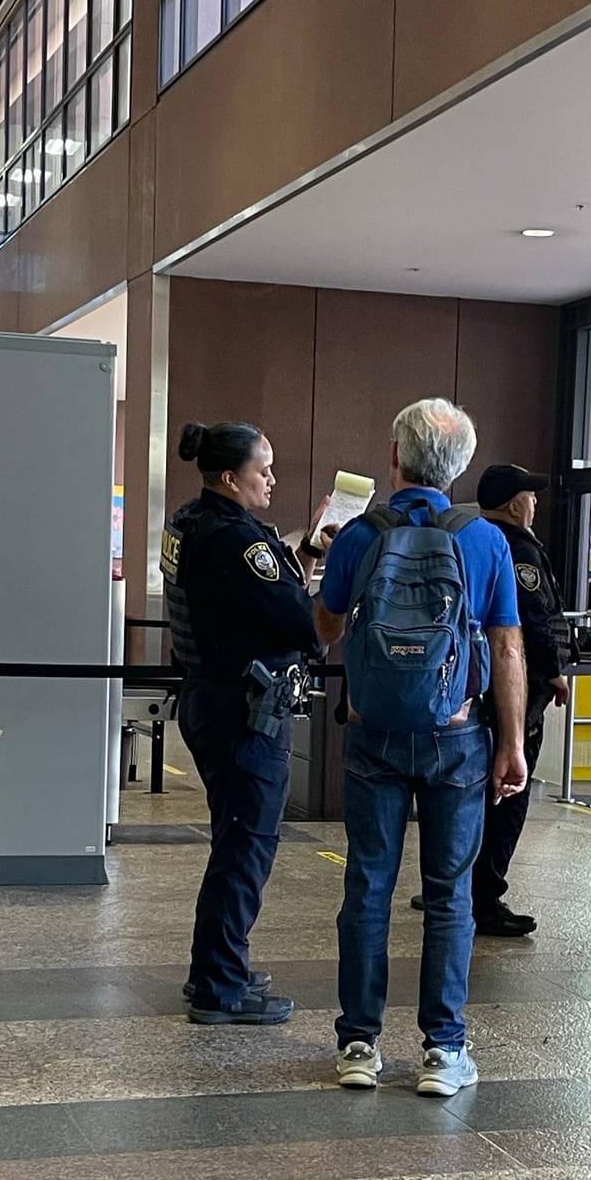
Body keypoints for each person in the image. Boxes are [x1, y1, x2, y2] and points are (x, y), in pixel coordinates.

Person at [316, 399, 527, 1097]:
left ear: (394, 456)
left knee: (368, 885)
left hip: (374, 733)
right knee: (449, 893)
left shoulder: (358, 534)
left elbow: (324, 629)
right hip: (457, 736)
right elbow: (506, 646)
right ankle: (443, 1051)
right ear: (460, 465)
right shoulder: (484, 539)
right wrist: (513, 743)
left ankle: (358, 1044)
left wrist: (325, 549)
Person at [163, 419, 332, 1027]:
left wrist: (302, 553)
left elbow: (237, 602)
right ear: (232, 478)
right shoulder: (238, 540)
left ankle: (217, 964)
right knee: (246, 846)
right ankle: (220, 984)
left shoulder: (188, 521)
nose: (272, 478)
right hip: (245, 711)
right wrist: (325, 577)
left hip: (210, 697)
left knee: (235, 840)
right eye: (263, 469)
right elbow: (296, 621)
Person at [411, 463, 575, 937]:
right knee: (506, 796)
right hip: (512, 691)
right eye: (530, 494)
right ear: (512, 501)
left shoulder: (456, 534)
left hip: (460, 689)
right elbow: (531, 623)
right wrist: (555, 672)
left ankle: (450, 883)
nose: (535, 502)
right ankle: (486, 897)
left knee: (466, 798)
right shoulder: (512, 547)